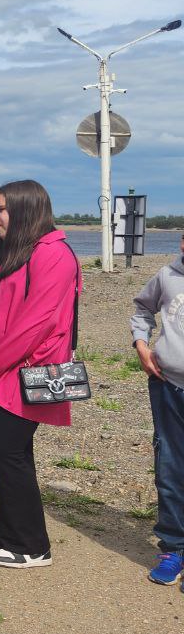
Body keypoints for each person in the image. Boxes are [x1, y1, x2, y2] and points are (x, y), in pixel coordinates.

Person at [0, 180, 79, 569]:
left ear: (26, 210)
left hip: (28, 372)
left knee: (6, 450)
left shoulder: (55, 256)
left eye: (1, 209)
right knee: (10, 453)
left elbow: (35, 325)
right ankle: (11, 535)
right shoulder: (16, 251)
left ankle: (32, 546)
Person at [131, 232, 184, 588]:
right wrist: (141, 344)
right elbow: (142, 308)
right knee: (170, 466)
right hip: (168, 386)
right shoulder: (167, 276)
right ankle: (174, 548)